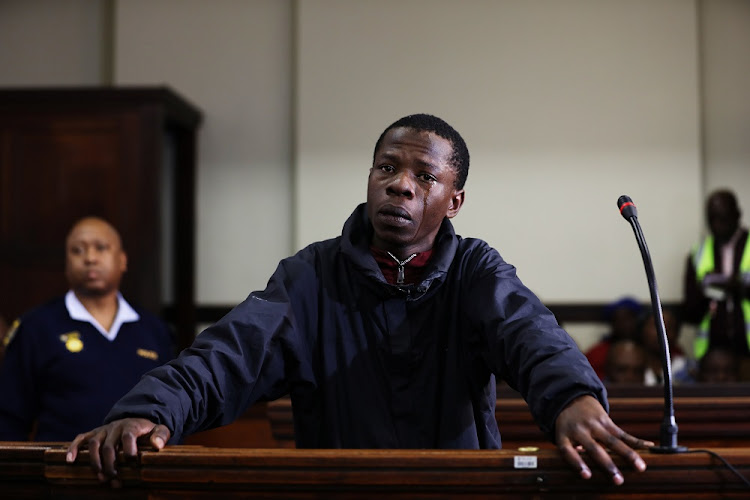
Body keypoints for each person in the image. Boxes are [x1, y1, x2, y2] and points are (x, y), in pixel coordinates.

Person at [67, 113, 651, 486]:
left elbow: (534, 337)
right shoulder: (309, 277)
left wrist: (574, 398)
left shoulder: (476, 271)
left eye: (424, 176)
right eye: (387, 167)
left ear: (454, 201)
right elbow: (224, 359)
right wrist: (148, 411)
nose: (400, 183)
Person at [0, 217, 175, 441]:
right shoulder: (35, 328)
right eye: (77, 251)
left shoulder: (154, 329)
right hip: (62, 469)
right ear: (66, 263)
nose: (90, 258)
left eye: (101, 248)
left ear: (122, 260)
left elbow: (171, 408)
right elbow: (9, 421)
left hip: (141, 467)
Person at [683, 189, 750, 379]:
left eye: (722, 218)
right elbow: (690, 313)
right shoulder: (698, 253)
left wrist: (738, 287)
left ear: (737, 215)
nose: (716, 225)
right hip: (712, 357)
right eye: (711, 219)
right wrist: (707, 290)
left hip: (747, 354)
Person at [584, 297, 643, 380]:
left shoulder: (646, 350)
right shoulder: (596, 353)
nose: (626, 324)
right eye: (620, 320)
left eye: (630, 319)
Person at [640, 307, 694, 386]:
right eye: (656, 326)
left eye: (670, 327)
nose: (663, 333)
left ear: (677, 334)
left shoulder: (688, 369)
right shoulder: (631, 367)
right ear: (642, 329)